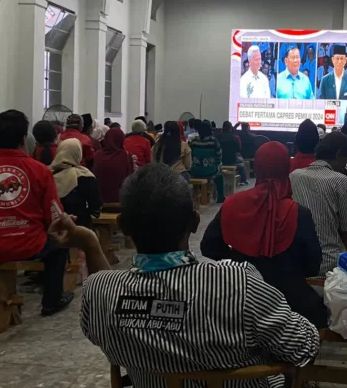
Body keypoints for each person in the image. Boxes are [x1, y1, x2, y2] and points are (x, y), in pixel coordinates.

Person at [77, 164, 320, 388]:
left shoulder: (99, 292)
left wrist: (90, 241)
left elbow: (108, 299)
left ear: (123, 225)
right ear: (194, 222)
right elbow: (304, 345)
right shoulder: (238, 284)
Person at [201, 142, 327, 328]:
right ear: (286, 167)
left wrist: (237, 259)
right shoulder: (299, 213)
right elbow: (313, 266)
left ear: (257, 168)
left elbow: (208, 246)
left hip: (239, 300)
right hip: (289, 307)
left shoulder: (232, 204)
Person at [0, 110, 73, 316]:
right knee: (59, 247)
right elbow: (53, 214)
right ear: (24, 138)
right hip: (27, 243)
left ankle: (2, 291)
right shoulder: (39, 170)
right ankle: (52, 299)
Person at [290, 132, 347, 275]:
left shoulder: (294, 176)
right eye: (346, 159)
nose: (346, 165)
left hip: (299, 260)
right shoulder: (341, 180)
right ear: (339, 154)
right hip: (330, 263)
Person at [51, 139, 102, 229]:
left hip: (52, 228)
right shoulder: (86, 176)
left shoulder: (47, 174)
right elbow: (95, 208)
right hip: (79, 229)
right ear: (79, 154)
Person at [93, 127, 137, 203]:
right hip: (120, 201)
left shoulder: (97, 154)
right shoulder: (125, 155)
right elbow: (130, 176)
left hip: (99, 201)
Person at [189, 121, 225, 203]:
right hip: (210, 170)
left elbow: (190, 155)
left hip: (195, 170)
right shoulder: (214, 141)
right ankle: (220, 197)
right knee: (219, 176)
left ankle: (198, 194)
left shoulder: (194, 141)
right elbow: (219, 156)